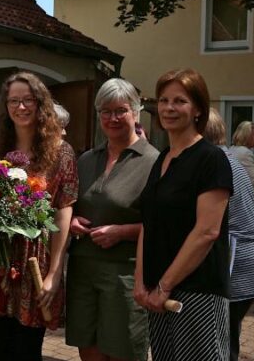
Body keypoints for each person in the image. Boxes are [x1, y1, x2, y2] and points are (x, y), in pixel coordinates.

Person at [0, 72, 77, 361]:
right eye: (13, 101)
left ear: (40, 103)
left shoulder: (60, 152)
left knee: (27, 351)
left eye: (28, 100)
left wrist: (55, 274)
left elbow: (63, 211)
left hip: (35, 260)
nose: (20, 107)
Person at [135, 69, 232, 360]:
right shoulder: (163, 159)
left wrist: (164, 286)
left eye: (180, 101)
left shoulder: (210, 159)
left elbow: (207, 232)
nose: (169, 108)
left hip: (196, 292)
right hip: (158, 294)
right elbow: (147, 224)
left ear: (198, 109)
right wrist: (141, 281)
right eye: (164, 100)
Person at [65, 78, 158, 361]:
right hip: (82, 270)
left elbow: (167, 225)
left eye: (121, 110)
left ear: (135, 112)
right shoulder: (87, 159)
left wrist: (124, 231)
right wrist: (71, 222)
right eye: (105, 111)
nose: (113, 118)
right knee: (89, 352)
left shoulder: (153, 162)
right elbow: (70, 206)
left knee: (124, 352)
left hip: (125, 274)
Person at [203, 109, 254, 361]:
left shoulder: (217, 163)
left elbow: (205, 228)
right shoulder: (228, 159)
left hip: (239, 262)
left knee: (219, 340)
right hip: (249, 259)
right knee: (226, 337)